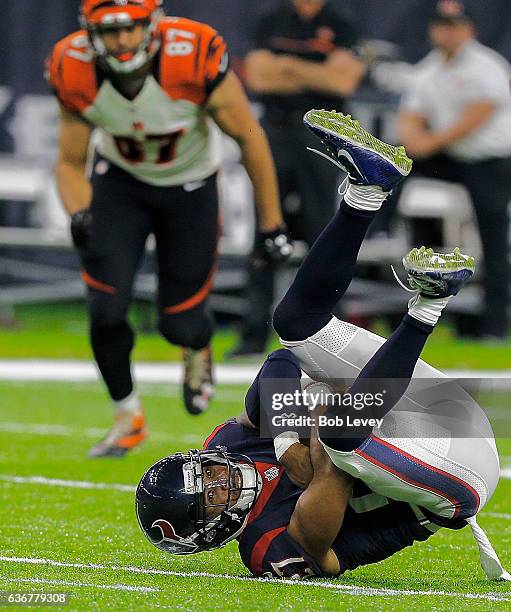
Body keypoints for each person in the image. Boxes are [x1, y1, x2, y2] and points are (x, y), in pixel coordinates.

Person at [136, 110, 508, 581]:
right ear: (210, 529)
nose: (220, 477)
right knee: (336, 435)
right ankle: (428, 306)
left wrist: (288, 436)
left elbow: (280, 363)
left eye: (206, 472)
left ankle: (366, 191)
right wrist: (312, 422)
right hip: (456, 472)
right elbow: (322, 534)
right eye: (211, 494)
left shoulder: (229, 446)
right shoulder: (265, 547)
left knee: (295, 324)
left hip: (421, 404)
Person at [46, 0, 290, 457]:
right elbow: (69, 161)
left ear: (153, 24)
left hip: (191, 188)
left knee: (178, 322)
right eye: (109, 30)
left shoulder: (193, 52)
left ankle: (196, 345)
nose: (121, 41)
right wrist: (80, 212)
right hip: (120, 185)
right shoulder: (72, 64)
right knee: (105, 309)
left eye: (131, 28)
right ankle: (127, 417)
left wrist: (272, 223)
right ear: (89, 31)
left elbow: (249, 139)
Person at [230, 0, 365, 356]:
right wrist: (315, 70)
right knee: (266, 230)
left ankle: (326, 335)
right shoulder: (271, 19)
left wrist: (286, 65)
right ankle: (252, 335)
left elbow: (343, 82)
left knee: (327, 233)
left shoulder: (341, 21)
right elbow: (257, 76)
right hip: (275, 132)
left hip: (323, 137)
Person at [392, 0, 511, 339]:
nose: (445, 31)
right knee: (397, 163)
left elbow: (480, 112)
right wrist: (415, 141)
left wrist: (433, 141)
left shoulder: (486, 64)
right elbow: (409, 117)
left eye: (453, 24)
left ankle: (494, 324)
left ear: (468, 29)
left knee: (493, 237)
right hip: (450, 156)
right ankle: (378, 224)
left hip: (490, 160)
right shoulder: (428, 68)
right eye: (441, 24)